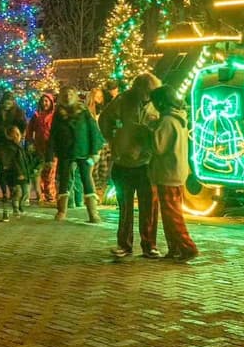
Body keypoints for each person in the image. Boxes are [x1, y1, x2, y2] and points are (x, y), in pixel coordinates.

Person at [99, 73, 161, 259]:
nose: (146, 94)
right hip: (124, 160)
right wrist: (113, 139)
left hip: (147, 162)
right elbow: (105, 118)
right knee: (125, 207)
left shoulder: (158, 103)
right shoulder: (124, 100)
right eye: (143, 90)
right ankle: (124, 244)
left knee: (148, 207)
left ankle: (149, 245)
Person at [150, 86, 198, 262]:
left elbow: (158, 147)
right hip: (177, 171)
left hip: (167, 172)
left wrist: (150, 131)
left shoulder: (167, 121)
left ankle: (187, 247)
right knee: (172, 212)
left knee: (172, 214)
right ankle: (175, 248)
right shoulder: (179, 118)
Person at [50, 87, 104, 223]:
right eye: (65, 93)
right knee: (64, 181)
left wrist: (94, 151)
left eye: (70, 93)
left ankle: (93, 213)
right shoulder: (58, 114)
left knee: (86, 180)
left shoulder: (84, 111)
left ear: (75, 96)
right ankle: (61, 211)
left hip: (83, 151)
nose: (68, 96)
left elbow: (93, 131)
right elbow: (53, 135)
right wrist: (49, 156)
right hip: (66, 152)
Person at [0, 91, 28, 220]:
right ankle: (4, 193)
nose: (7, 105)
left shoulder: (18, 112)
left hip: (12, 145)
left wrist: (17, 134)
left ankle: (13, 192)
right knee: (1, 169)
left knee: (12, 170)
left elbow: (23, 125)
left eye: (9, 103)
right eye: (5, 103)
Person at [25, 92, 56, 206]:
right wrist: (30, 142)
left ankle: (50, 195)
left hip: (51, 149)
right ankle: (41, 195)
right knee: (38, 172)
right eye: (43, 101)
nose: (44, 103)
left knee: (50, 173)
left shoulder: (54, 115)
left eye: (47, 101)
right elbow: (29, 130)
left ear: (51, 102)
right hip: (39, 148)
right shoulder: (36, 115)